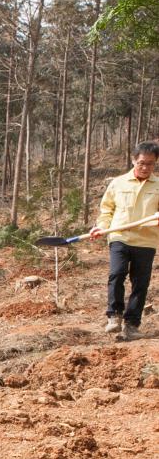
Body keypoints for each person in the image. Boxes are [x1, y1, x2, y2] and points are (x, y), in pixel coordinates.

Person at [90, 141, 159, 341]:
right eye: (142, 163)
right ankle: (114, 316)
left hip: (146, 241)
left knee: (140, 283)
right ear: (133, 161)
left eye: (151, 164)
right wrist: (101, 226)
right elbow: (107, 209)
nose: (145, 167)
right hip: (119, 237)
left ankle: (132, 325)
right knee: (116, 274)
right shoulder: (118, 183)